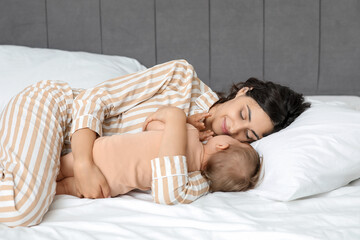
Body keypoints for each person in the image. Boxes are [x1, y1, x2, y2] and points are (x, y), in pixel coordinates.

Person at [0, 59, 309, 227]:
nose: (235, 127)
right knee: (23, 210)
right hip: (56, 113)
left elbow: (170, 191)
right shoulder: (181, 79)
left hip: (50, 157)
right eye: (244, 114)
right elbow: (94, 100)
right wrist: (83, 163)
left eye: (249, 135)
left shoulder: (214, 165)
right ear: (244, 92)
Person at [56, 107, 262, 199]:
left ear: (222, 145)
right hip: (108, 185)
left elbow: (151, 126)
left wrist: (163, 117)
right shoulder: (189, 176)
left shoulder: (187, 131)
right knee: (64, 188)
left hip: (100, 153)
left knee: (58, 169)